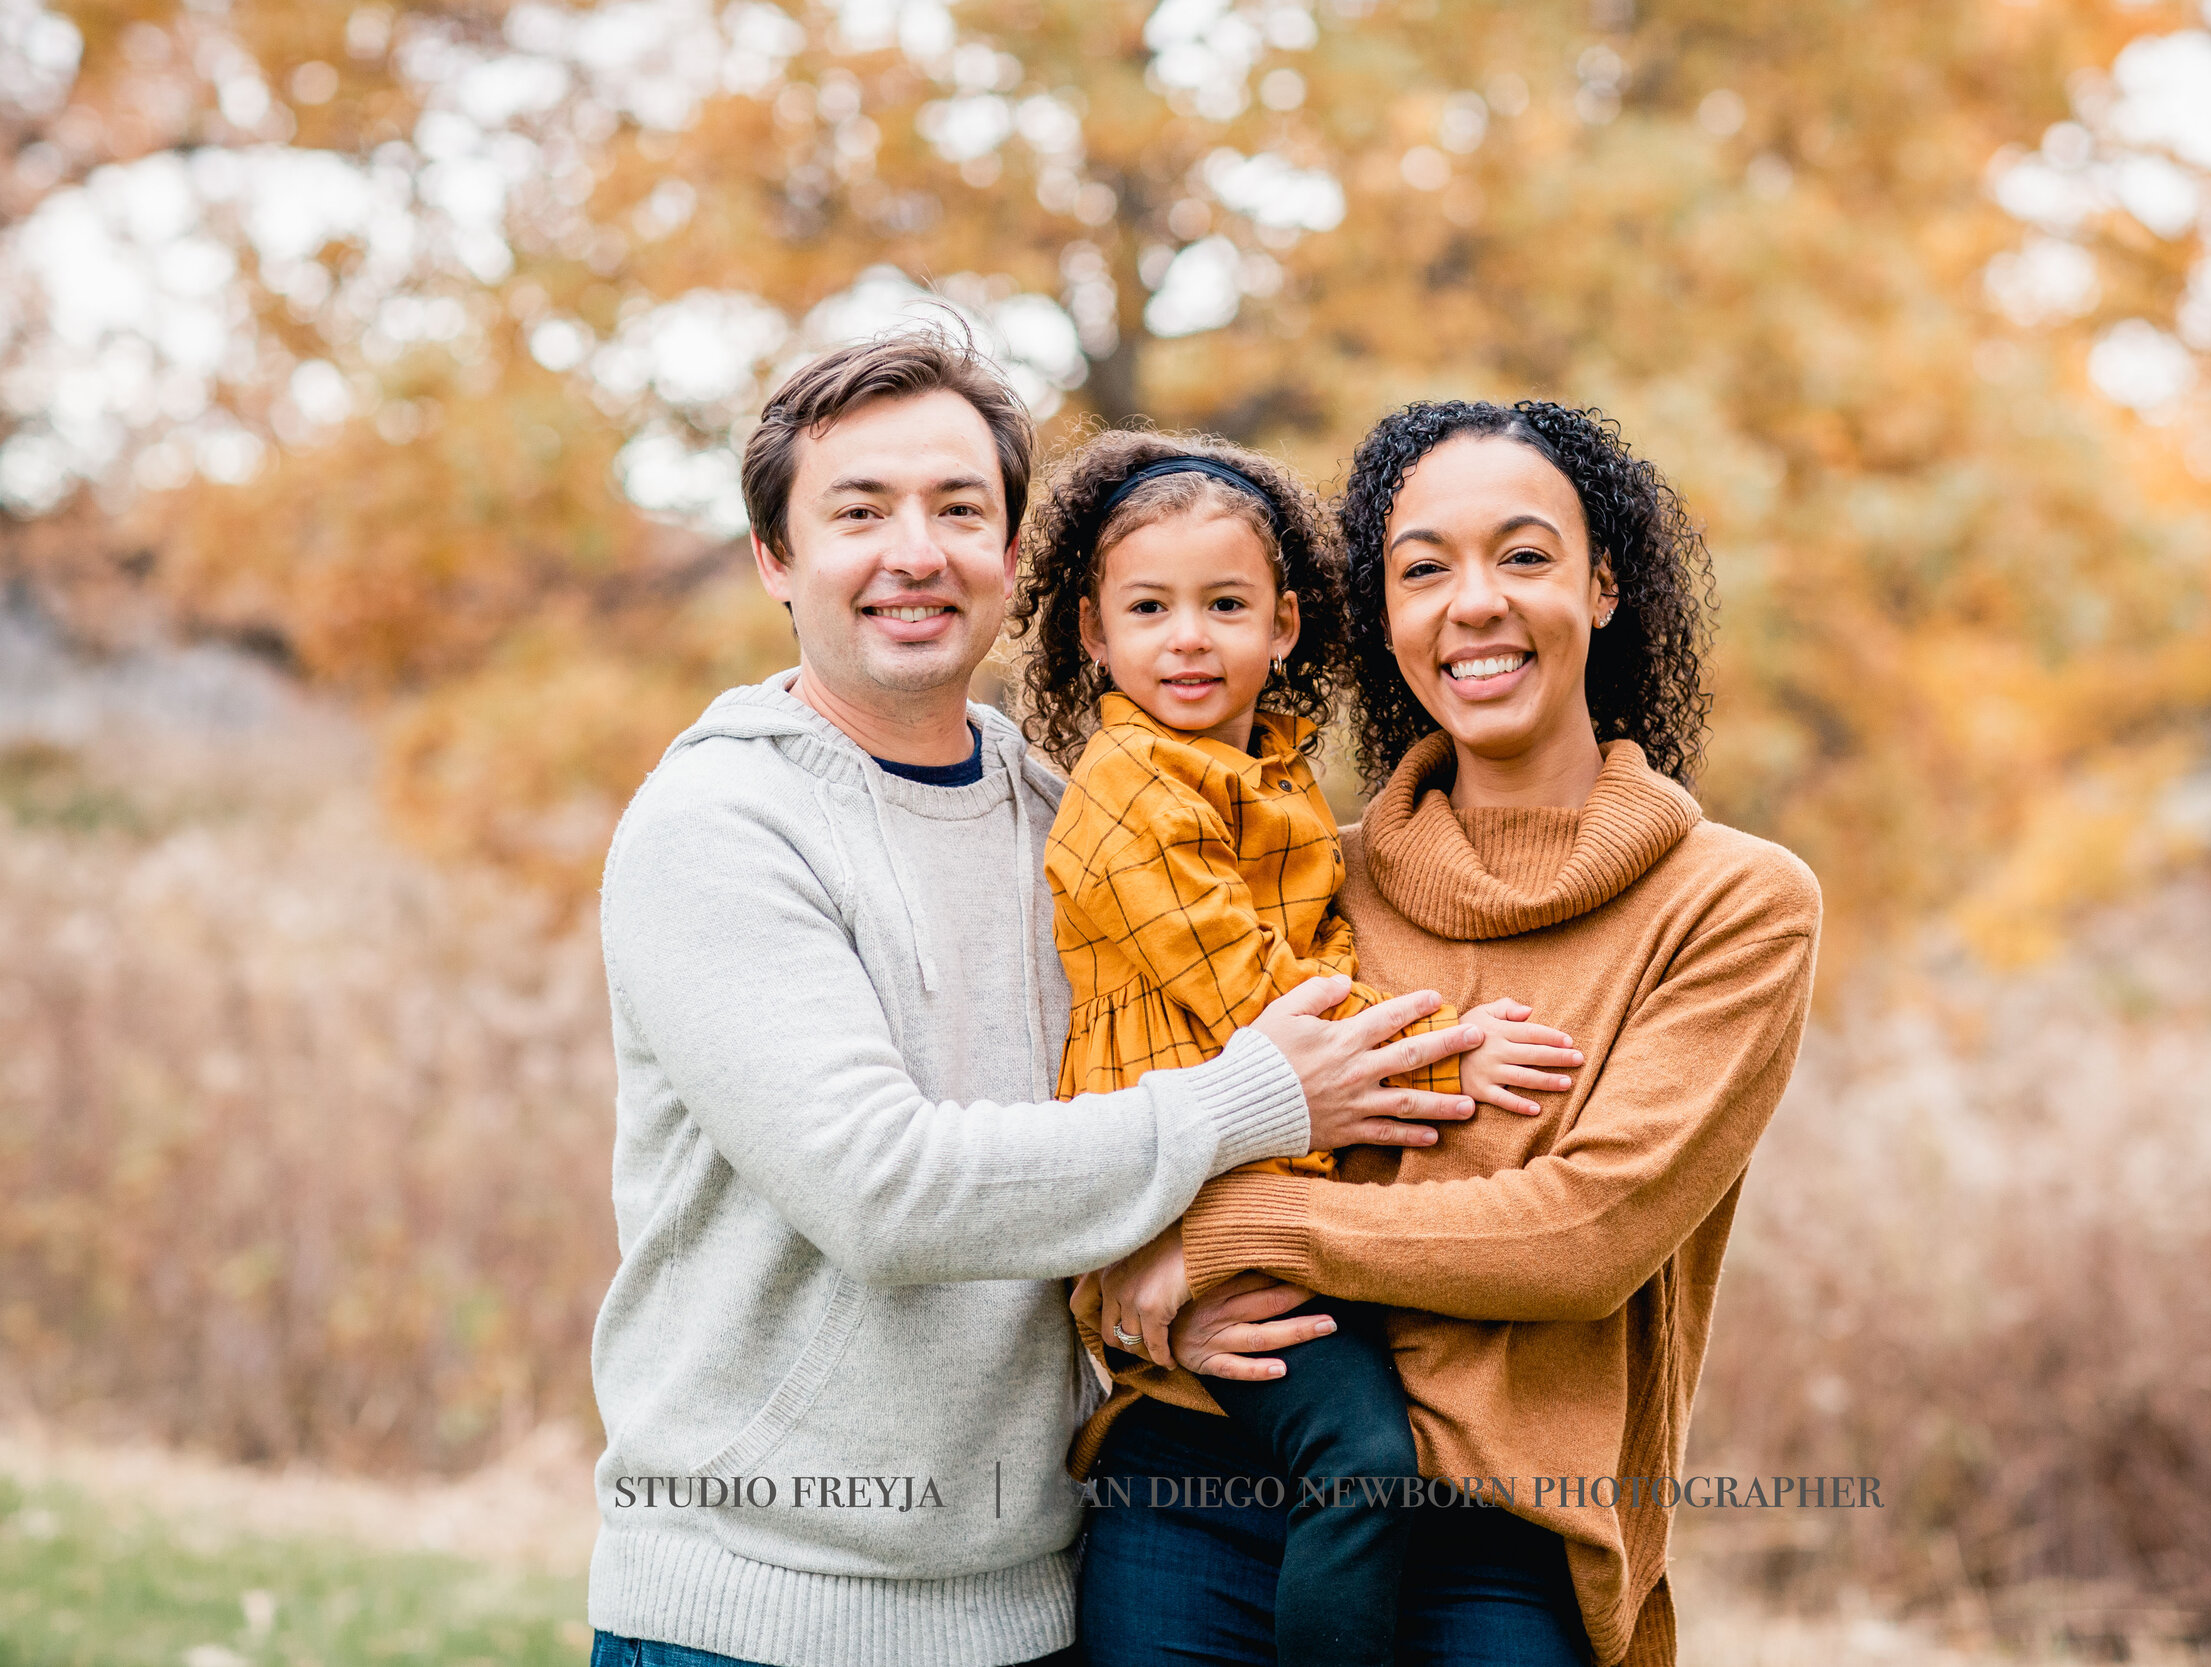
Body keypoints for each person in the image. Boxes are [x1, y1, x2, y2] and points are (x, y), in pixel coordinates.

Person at [585, 331, 1486, 1667]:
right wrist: (1255, 1097)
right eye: (859, 511)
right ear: (777, 557)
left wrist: (1152, 1279)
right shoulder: (720, 826)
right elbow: (882, 1192)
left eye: (960, 510)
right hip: (757, 1616)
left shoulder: (1072, 821)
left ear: (1014, 560)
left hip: (1029, 1604)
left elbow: (1105, 1114)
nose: (916, 550)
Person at [1074, 400, 1822, 1667]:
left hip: (1502, 1526)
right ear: (1383, 617)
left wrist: (1228, 1234)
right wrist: (1131, 1301)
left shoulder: (1733, 901)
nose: (1472, 603)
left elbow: (1586, 1232)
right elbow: (1115, 1109)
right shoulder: (1292, 871)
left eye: (1522, 556)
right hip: (1203, 1472)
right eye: (1423, 568)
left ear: (1601, 586)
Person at [1003, 428, 1578, 1667]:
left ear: (1286, 626)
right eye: (1148, 608)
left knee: (1364, 1453)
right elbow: (1240, 992)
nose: (1189, 637)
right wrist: (1445, 1059)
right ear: (1093, 633)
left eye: (1224, 605)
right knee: (1362, 1463)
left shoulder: (1265, 773)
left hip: (1265, 1183)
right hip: (1195, 1184)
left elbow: (1321, 961)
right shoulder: (1124, 792)